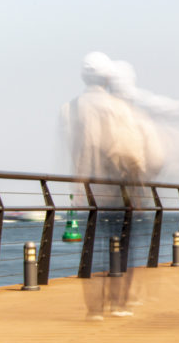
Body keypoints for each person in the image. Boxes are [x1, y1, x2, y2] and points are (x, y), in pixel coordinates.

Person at [61, 52, 153, 320]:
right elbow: (132, 151)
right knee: (122, 244)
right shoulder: (117, 108)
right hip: (118, 189)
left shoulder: (69, 108)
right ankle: (118, 301)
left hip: (87, 190)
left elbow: (73, 149)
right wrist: (138, 181)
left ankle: (94, 307)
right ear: (107, 77)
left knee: (92, 247)